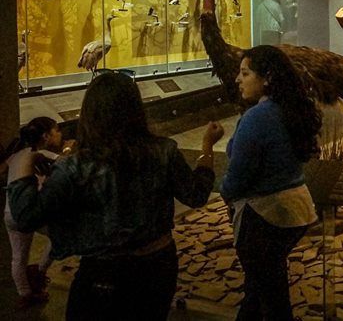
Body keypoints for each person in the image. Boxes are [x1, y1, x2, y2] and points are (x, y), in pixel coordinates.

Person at [7, 72, 223, 320]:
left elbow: (25, 215)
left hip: (102, 273)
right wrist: (207, 148)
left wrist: (23, 162)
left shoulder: (76, 166)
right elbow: (196, 195)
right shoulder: (163, 151)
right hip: (157, 267)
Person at [221, 45, 321, 320]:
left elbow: (238, 176)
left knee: (271, 299)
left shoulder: (257, 117)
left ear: (266, 78)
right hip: (295, 210)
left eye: (245, 73)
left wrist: (224, 190)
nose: (237, 79)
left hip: (264, 217)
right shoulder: (288, 109)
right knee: (261, 291)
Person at [2, 117, 62, 307]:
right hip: (29, 213)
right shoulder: (42, 154)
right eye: (56, 131)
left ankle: (25, 294)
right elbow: (66, 164)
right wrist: (68, 148)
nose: (60, 134)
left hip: (11, 213)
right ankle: (39, 272)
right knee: (58, 235)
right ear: (46, 136)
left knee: (18, 257)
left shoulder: (15, 156)